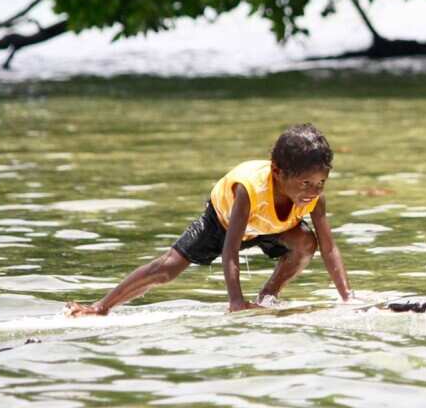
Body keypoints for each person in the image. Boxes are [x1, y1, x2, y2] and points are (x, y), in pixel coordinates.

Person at [66, 123, 352, 315]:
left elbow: (329, 248)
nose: (313, 191)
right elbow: (230, 250)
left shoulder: (314, 197)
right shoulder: (249, 189)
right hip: (222, 222)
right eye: (305, 183)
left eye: (321, 182)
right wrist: (236, 302)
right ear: (278, 172)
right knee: (168, 269)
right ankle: (100, 307)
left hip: (269, 227)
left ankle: (269, 294)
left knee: (306, 242)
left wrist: (346, 297)